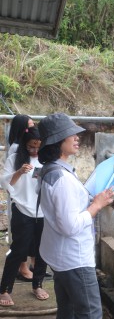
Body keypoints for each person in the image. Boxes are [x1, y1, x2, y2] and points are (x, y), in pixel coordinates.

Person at [38, 114, 114, 319]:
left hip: (60, 258)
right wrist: (96, 205)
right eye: (71, 134)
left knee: (68, 314)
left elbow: (62, 214)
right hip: (75, 260)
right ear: (58, 141)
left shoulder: (51, 171)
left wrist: (89, 198)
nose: (77, 137)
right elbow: (70, 226)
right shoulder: (62, 180)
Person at [0, 127, 49, 306]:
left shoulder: (47, 160)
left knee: (42, 250)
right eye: (31, 147)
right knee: (18, 250)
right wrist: (19, 172)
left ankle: (37, 285)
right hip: (22, 210)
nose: (35, 151)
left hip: (43, 212)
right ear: (24, 145)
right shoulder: (15, 159)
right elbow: (5, 183)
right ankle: (4, 289)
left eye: (38, 147)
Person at [4, 114, 37, 281]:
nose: (32, 129)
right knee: (21, 239)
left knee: (32, 239)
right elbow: (11, 179)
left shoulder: (26, 146)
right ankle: (22, 268)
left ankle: (31, 267)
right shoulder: (17, 149)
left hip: (31, 199)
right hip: (21, 198)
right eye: (28, 127)